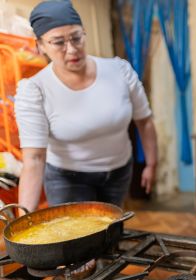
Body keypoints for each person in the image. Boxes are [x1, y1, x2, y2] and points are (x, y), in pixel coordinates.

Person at [14, 0, 158, 213]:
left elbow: (144, 122)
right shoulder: (35, 90)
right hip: (67, 179)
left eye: (76, 37)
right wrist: (22, 220)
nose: (72, 49)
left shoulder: (119, 70)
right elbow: (34, 158)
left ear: (84, 33)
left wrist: (151, 164)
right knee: (76, 241)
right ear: (40, 46)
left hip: (119, 172)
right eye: (58, 42)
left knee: (110, 231)